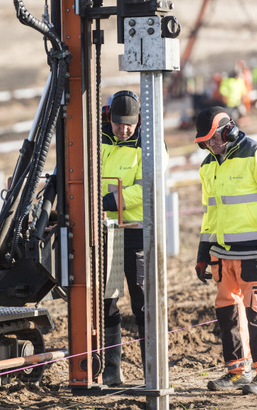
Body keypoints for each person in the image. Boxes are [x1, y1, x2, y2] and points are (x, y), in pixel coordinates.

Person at [193, 107, 257, 395]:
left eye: (214, 139)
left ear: (228, 130)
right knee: (227, 312)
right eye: (206, 142)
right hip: (221, 256)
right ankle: (238, 370)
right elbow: (210, 214)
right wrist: (202, 253)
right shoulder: (207, 167)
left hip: (255, 254)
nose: (211, 146)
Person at [100, 90, 163, 385]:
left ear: (138, 121)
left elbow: (148, 186)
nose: (122, 130)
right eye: (117, 123)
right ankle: (112, 370)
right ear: (108, 117)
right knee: (106, 302)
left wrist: (109, 201)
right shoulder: (97, 141)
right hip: (105, 235)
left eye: (128, 124)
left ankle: (152, 370)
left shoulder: (149, 144)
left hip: (137, 234)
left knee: (142, 303)